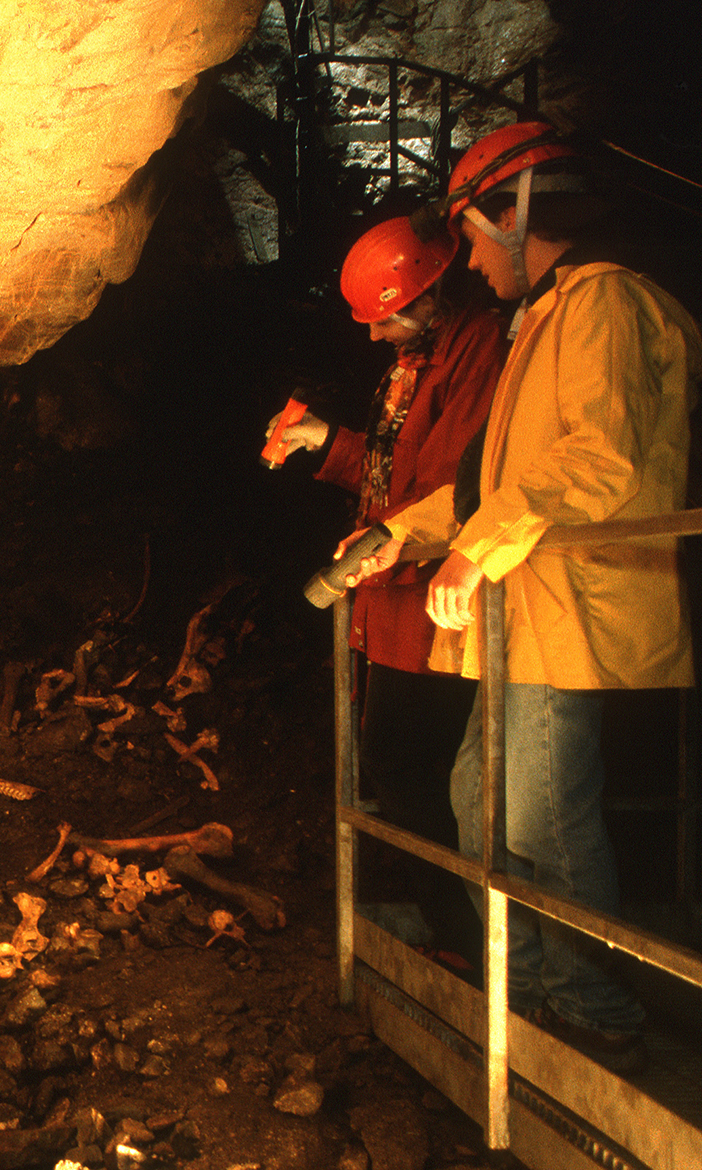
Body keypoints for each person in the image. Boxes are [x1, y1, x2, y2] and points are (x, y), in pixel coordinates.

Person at [354, 121, 702, 1074]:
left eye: (472, 236)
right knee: (478, 802)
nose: (469, 259)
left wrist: (475, 553)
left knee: (541, 817)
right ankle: (541, 987)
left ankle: (595, 1009)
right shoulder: (546, 319)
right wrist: (399, 534)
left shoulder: (605, 304)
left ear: (514, 216)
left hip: (570, 608)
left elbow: (600, 457)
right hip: (532, 610)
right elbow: (490, 483)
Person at [268, 215, 504, 960]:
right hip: (393, 595)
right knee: (402, 767)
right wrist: (324, 442)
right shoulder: (419, 357)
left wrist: (382, 548)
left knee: (409, 767)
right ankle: (463, 936)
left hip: (434, 602)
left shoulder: (480, 352)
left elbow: (447, 491)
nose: (374, 334)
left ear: (432, 292)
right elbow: (395, 472)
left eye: (387, 316)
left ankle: (471, 942)